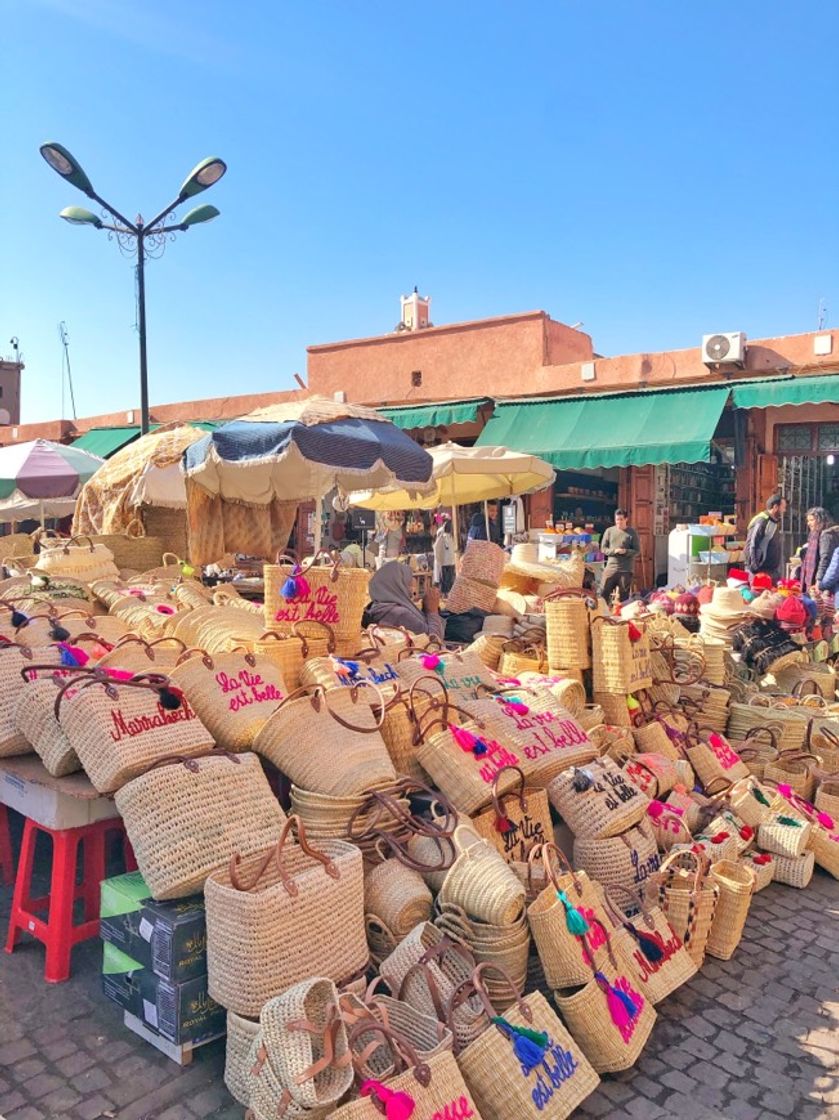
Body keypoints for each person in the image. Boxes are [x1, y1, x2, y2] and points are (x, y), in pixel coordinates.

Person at [362, 560, 444, 640]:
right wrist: (432, 611)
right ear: (397, 586)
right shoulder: (399, 614)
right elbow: (434, 641)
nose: (411, 591)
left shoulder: (376, 607)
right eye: (408, 585)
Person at [744, 494, 788, 584]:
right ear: (776, 507)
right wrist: (755, 568)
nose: (784, 510)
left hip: (771, 570)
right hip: (760, 571)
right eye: (783, 507)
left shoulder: (773, 521)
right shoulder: (762, 521)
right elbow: (752, 545)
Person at [599, 508, 640, 604]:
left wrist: (625, 551)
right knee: (603, 593)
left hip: (625, 569)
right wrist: (614, 551)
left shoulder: (632, 532)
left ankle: (621, 616)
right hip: (611, 568)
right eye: (617, 519)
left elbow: (637, 551)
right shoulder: (609, 531)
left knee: (624, 597)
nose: (619, 522)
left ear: (626, 519)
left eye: (621, 519)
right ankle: (603, 614)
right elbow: (603, 549)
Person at [800, 506, 839, 592]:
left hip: (822, 580)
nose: (808, 523)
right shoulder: (814, 534)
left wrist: (819, 581)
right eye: (808, 520)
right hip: (814, 577)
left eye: (811, 520)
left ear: (820, 520)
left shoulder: (826, 536)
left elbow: (825, 558)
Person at [432, 518, 456, 595]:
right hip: (444, 562)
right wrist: (439, 560)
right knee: (444, 580)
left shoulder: (449, 536)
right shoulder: (442, 536)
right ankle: (445, 594)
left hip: (449, 561)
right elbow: (437, 548)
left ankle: (447, 593)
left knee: (448, 579)